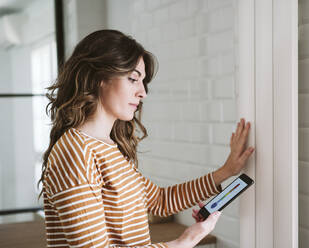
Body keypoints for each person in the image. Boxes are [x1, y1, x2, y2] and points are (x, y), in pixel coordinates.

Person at [38, 29, 255, 248]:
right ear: (98, 78)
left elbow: (160, 200)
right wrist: (185, 241)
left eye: (143, 82)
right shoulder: (76, 152)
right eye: (133, 79)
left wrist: (226, 171)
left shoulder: (106, 147)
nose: (143, 92)